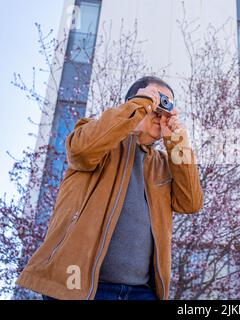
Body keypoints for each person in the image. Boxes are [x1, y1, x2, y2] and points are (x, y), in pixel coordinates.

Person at [16, 76, 204, 300]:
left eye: (166, 105)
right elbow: (82, 151)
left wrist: (177, 141)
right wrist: (138, 106)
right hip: (80, 287)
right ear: (133, 102)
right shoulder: (98, 139)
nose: (160, 112)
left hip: (141, 292)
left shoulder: (164, 163)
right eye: (155, 101)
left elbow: (190, 202)